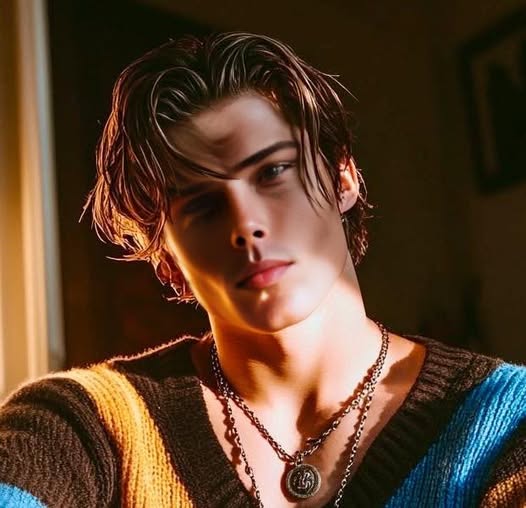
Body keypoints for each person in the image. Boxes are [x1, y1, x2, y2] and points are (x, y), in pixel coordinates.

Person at [0, 32, 525, 508]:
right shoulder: (85, 425)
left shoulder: (503, 419)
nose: (246, 224)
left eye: (273, 171)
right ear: (167, 259)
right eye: (202, 206)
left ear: (343, 178)